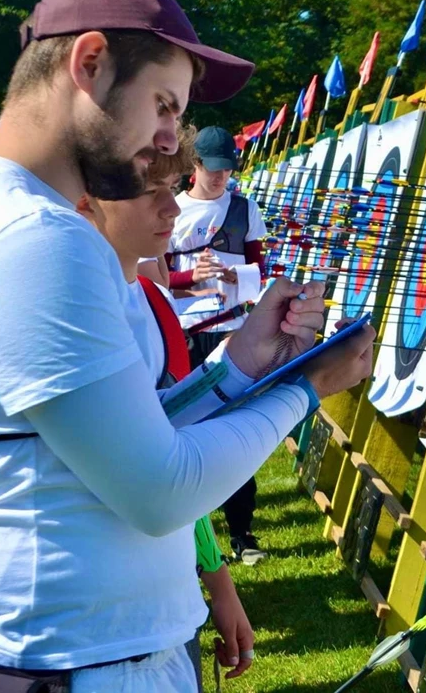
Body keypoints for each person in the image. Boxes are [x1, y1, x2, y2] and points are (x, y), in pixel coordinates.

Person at [0, 0, 374, 692]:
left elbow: (134, 428)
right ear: (89, 63)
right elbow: (161, 491)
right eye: (162, 104)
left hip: (86, 657)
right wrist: (307, 387)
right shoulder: (29, 238)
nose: (165, 139)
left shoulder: (33, 225)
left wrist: (242, 363)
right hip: (61, 665)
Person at [76, 127, 254, 690]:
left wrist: (218, 581)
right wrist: (304, 390)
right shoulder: (71, 309)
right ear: (88, 201)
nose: (173, 209)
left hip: (170, 607)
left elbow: (173, 450)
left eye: (173, 188)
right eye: (151, 191)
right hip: (94, 621)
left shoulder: (153, 303)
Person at [166, 125, 270, 565]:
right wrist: (191, 277)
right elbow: (153, 276)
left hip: (230, 330)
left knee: (235, 432)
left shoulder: (245, 209)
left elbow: (260, 271)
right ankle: (185, 535)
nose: (221, 176)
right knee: (182, 433)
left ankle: (242, 533)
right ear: (195, 164)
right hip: (184, 332)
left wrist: (233, 276)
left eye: (227, 169)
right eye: (213, 168)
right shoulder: (170, 209)